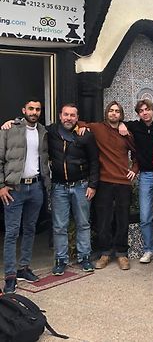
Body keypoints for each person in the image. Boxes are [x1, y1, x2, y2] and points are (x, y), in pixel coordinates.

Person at [80, 101, 139, 270]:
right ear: (106, 113)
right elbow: (77, 121)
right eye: (111, 111)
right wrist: (83, 127)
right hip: (104, 181)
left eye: (117, 112)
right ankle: (105, 253)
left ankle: (121, 254)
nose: (114, 113)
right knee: (103, 219)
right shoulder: (98, 128)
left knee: (122, 219)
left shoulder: (126, 133)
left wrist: (134, 170)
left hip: (123, 182)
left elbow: (137, 155)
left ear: (121, 114)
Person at [0, 99, 51, 293]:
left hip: (36, 186)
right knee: (12, 233)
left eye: (38, 109)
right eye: (31, 108)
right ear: (24, 110)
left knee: (30, 229)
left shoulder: (43, 131)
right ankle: (10, 275)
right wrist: (1, 186)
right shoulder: (9, 129)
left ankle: (24, 268)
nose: (34, 112)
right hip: (14, 189)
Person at [46, 104, 99, 275]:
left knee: (83, 224)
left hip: (81, 186)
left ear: (77, 118)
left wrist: (92, 185)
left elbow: (94, 162)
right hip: (59, 187)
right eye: (66, 115)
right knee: (59, 226)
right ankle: (61, 260)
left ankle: (85, 258)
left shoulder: (86, 135)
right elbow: (31, 127)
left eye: (72, 115)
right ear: (60, 116)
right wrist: (13, 123)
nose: (69, 118)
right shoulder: (51, 132)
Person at [121, 100, 153, 263]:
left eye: (147, 109)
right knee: (145, 215)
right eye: (141, 111)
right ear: (138, 114)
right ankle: (148, 249)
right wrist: (122, 125)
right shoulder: (136, 126)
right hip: (146, 175)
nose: (144, 113)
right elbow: (114, 120)